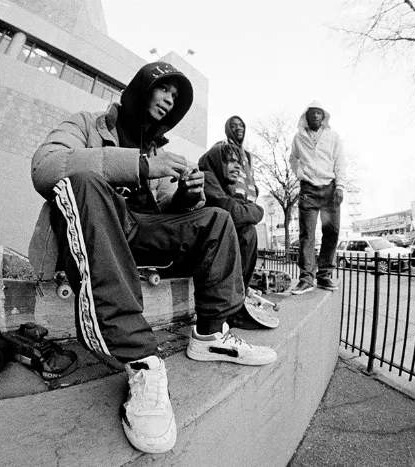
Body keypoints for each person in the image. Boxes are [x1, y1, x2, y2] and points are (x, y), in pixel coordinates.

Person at [28, 61, 277, 455]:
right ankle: (141, 359)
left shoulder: (159, 150)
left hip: (139, 231)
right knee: (84, 180)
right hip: (96, 224)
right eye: (164, 90)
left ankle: (211, 333)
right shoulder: (87, 124)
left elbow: (164, 213)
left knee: (216, 218)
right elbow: (45, 167)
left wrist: (187, 195)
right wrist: (141, 166)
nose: (168, 101)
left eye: (176, 99)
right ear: (142, 87)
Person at [198, 116, 267, 329]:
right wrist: (258, 211)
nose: (237, 169)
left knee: (247, 230)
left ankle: (238, 304)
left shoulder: (224, 182)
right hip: (200, 244)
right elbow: (232, 211)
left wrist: (253, 211)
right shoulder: (207, 177)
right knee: (246, 231)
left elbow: (237, 209)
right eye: (231, 162)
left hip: (217, 240)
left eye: (239, 163)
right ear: (218, 162)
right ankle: (232, 310)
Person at [289, 101, 346, 294]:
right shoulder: (298, 138)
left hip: (330, 189)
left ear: (324, 117)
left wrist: (340, 186)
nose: (315, 116)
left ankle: (324, 276)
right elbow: (293, 159)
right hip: (308, 191)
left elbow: (340, 163)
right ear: (306, 116)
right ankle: (306, 279)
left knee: (332, 232)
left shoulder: (333, 136)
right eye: (312, 113)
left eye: (319, 113)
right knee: (307, 235)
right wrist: (299, 173)